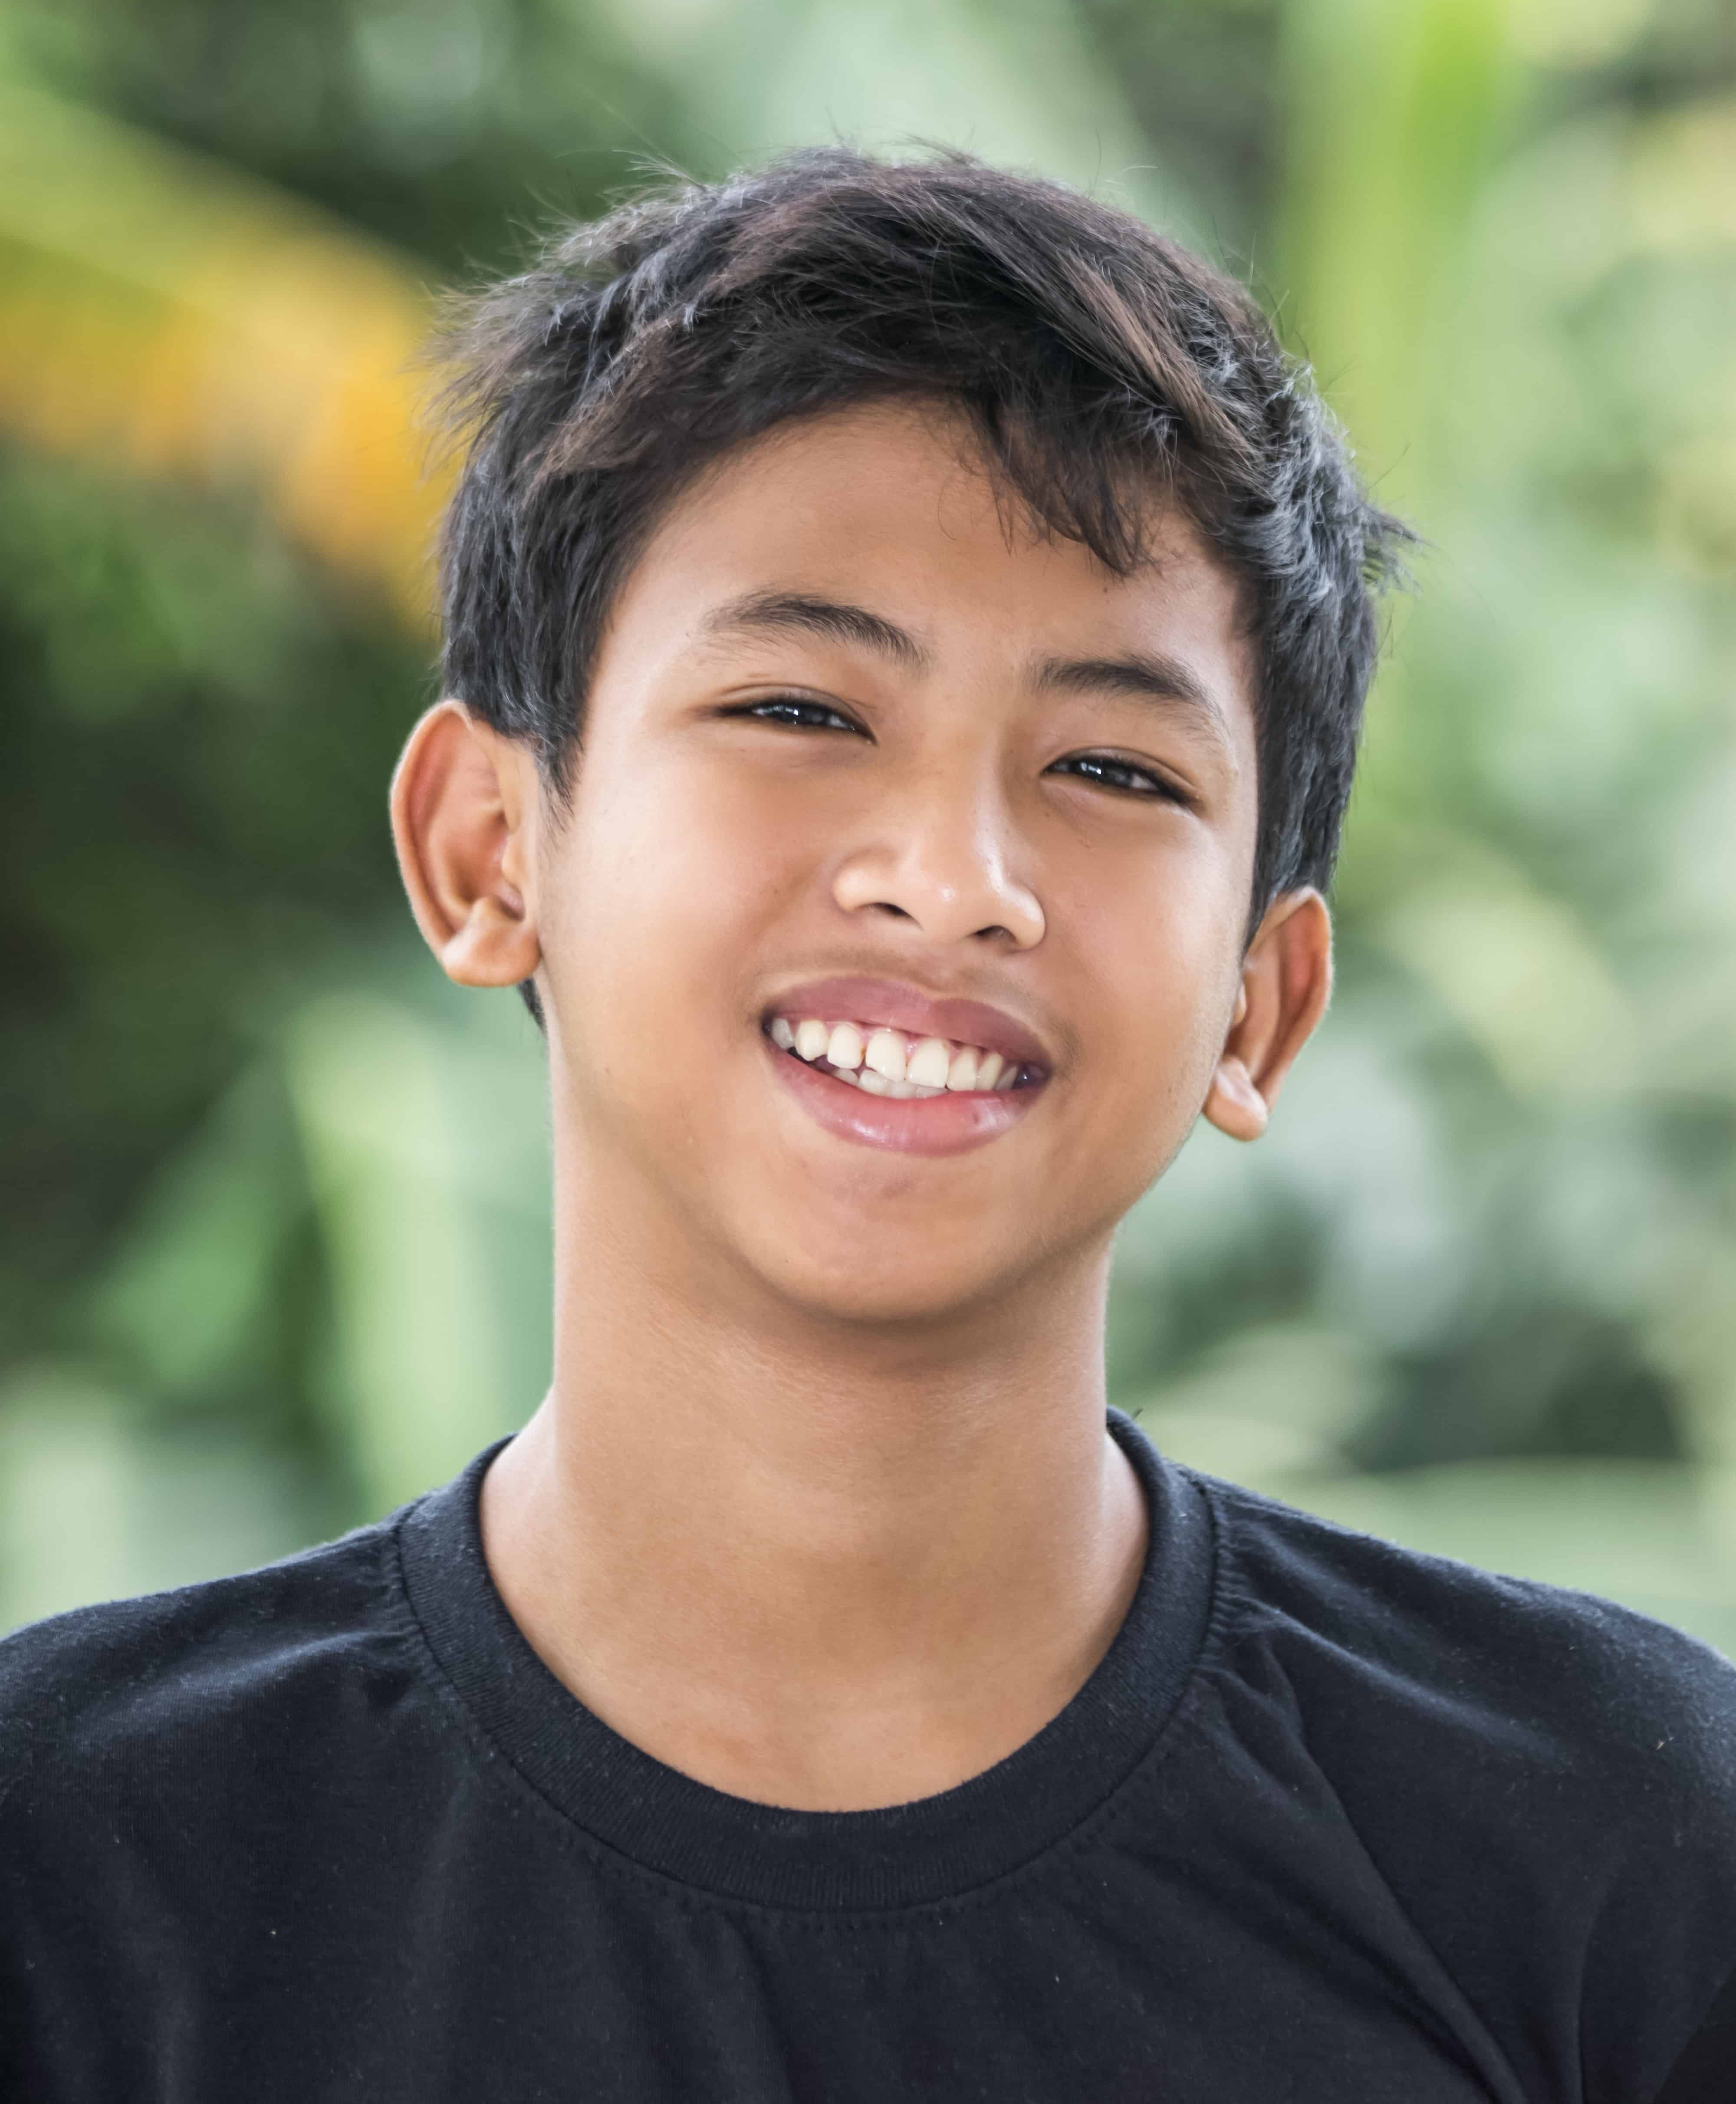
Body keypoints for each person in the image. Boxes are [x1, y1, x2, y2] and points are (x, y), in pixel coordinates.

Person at [2, 146, 1732, 2104]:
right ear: (489, 846)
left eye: (1112, 766)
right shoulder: (76, 1865)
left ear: (1261, 1002)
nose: (953, 881)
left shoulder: (1621, 1849)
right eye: (802, 711)